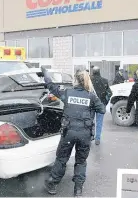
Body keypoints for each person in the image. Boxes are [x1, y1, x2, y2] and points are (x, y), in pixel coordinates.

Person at [42, 67, 106, 197]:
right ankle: (78, 189)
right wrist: (92, 98)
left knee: (61, 159)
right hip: (85, 135)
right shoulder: (91, 96)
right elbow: (102, 110)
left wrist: (46, 75)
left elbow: (52, 87)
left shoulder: (68, 92)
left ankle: (52, 184)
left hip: (68, 133)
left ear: (76, 80)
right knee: (81, 161)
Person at [90, 66, 113, 145]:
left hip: (91, 105)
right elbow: (110, 93)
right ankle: (97, 139)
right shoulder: (104, 81)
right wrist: (105, 101)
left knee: (90, 121)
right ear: (99, 71)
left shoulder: (89, 81)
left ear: (93, 72)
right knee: (99, 123)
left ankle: (90, 136)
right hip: (101, 104)